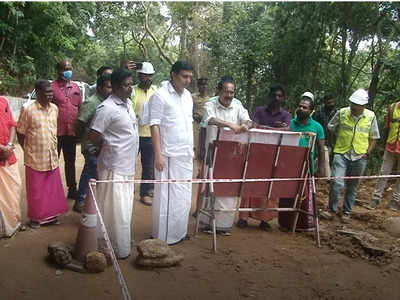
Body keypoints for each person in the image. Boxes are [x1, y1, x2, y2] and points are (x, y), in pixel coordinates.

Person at [89, 69, 139, 259]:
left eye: (130, 84)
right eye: (126, 85)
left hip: (127, 166)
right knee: (114, 208)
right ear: (116, 86)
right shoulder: (107, 108)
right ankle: (111, 246)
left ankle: (121, 243)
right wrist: (108, 146)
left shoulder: (127, 104)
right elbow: (94, 134)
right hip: (114, 166)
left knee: (124, 207)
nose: (130, 89)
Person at [199, 76, 253, 236]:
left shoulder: (238, 105)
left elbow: (248, 120)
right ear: (219, 91)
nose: (229, 95)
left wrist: (245, 125)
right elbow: (209, 119)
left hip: (232, 155)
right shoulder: (210, 103)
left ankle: (224, 225)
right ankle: (207, 222)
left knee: (228, 189)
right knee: (211, 186)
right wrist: (229, 124)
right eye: (226, 91)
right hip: (213, 152)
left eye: (232, 92)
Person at [148, 61, 194, 245]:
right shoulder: (160, 95)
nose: (187, 80)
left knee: (183, 195)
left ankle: (179, 232)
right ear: (173, 74)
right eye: (184, 76)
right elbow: (154, 125)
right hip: (167, 155)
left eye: (190, 77)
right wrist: (158, 154)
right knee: (165, 196)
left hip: (185, 154)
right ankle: (162, 236)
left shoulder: (188, 96)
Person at [237, 85, 292, 231]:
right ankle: (243, 218)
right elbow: (254, 125)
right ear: (269, 96)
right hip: (256, 153)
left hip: (275, 156)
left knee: (270, 188)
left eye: (280, 96)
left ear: (283, 98)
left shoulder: (286, 115)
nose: (276, 98)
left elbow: (287, 129)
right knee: (250, 184)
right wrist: (275, 129)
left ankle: (265, 220)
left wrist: (266, 128)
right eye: (274, 95)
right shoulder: (259, 111)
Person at [17, 80, 68, 229]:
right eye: (47, 92)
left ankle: (51, 216)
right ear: (38, 93)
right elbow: (20, 133)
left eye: (51, 92)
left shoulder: (55, 109)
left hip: (51, 156)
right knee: (36, 190)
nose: (50, 95)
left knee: (51, 189)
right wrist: (26, 149)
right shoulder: (28, 110)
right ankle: (36, 218)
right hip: (35, 157)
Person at [328, 89, 379, 222]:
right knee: (337, 182)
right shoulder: (342, 112)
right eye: (352, 104)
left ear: (363, 106)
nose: (353, 107)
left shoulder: (371, 116)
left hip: (359, 156)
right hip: (341, 152)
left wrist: (367, 153)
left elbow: (374, 137)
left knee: (353, 186)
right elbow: (330, 128)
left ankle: (347, 212)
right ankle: (331, 209)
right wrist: (333, 145)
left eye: (356, 105)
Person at [74, 74, 112, 213]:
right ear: (100, 87)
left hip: (101, 146)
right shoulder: (92, 102)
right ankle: (83, 201)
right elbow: (79, 123)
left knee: (89, 172)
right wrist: (85, 142)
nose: (111, 89)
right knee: (93, 174)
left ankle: (82, 200)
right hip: (92, 147)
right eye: (108, 87)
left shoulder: (108, 102)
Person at [51, 59, 83, 200]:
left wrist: (80, 131)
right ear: (58, 70)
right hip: (54, 132)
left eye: (69, 68)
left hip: (71, 132)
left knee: (70, 162)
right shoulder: (51, 87)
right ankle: (51, 190)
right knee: (52, 162)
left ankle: (72, 189)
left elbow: (80, 109)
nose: (67, 71)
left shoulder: (76, 87)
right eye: (64, 68)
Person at [132, 62, 157, 206]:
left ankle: (145, 192)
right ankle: (127, 190)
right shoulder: (133, 91)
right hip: (134, 134)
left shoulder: (156, 91)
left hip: (150, 134)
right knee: (130, 164)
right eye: (144, 76)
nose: (147, 79)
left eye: (149, 76)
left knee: (148, 166)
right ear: (139, 76)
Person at [369, 99, 400, 211]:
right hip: (390, 145)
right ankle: (376, 198)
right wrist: (382, 146)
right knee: (383, 172)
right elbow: (387, 127)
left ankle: (395, 200)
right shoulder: (392, 107)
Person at [0, 93, 22, 237]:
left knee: (15, 188)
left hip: (8, 155)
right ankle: (4, 228)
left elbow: (12, 125)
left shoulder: (4, 101)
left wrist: (9, 145)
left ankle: (13, 223)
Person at [290, 93, 325, 175]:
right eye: (299, 106)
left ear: (310, 111)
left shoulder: (317, 127)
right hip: (289, 165)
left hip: (307, 167)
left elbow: (321, 149)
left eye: (305, 107)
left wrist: (320, 168)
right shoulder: (290, 124)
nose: (301, 108)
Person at [192, 77, 209, 159]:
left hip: (206, 126)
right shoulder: (192, 97)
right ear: (198, 86)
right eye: (201, 84)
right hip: (195, 125)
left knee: (204, 148)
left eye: (205, 84)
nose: (203, 86)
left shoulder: (210, 99)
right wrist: (193, 115)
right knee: (194, 147)